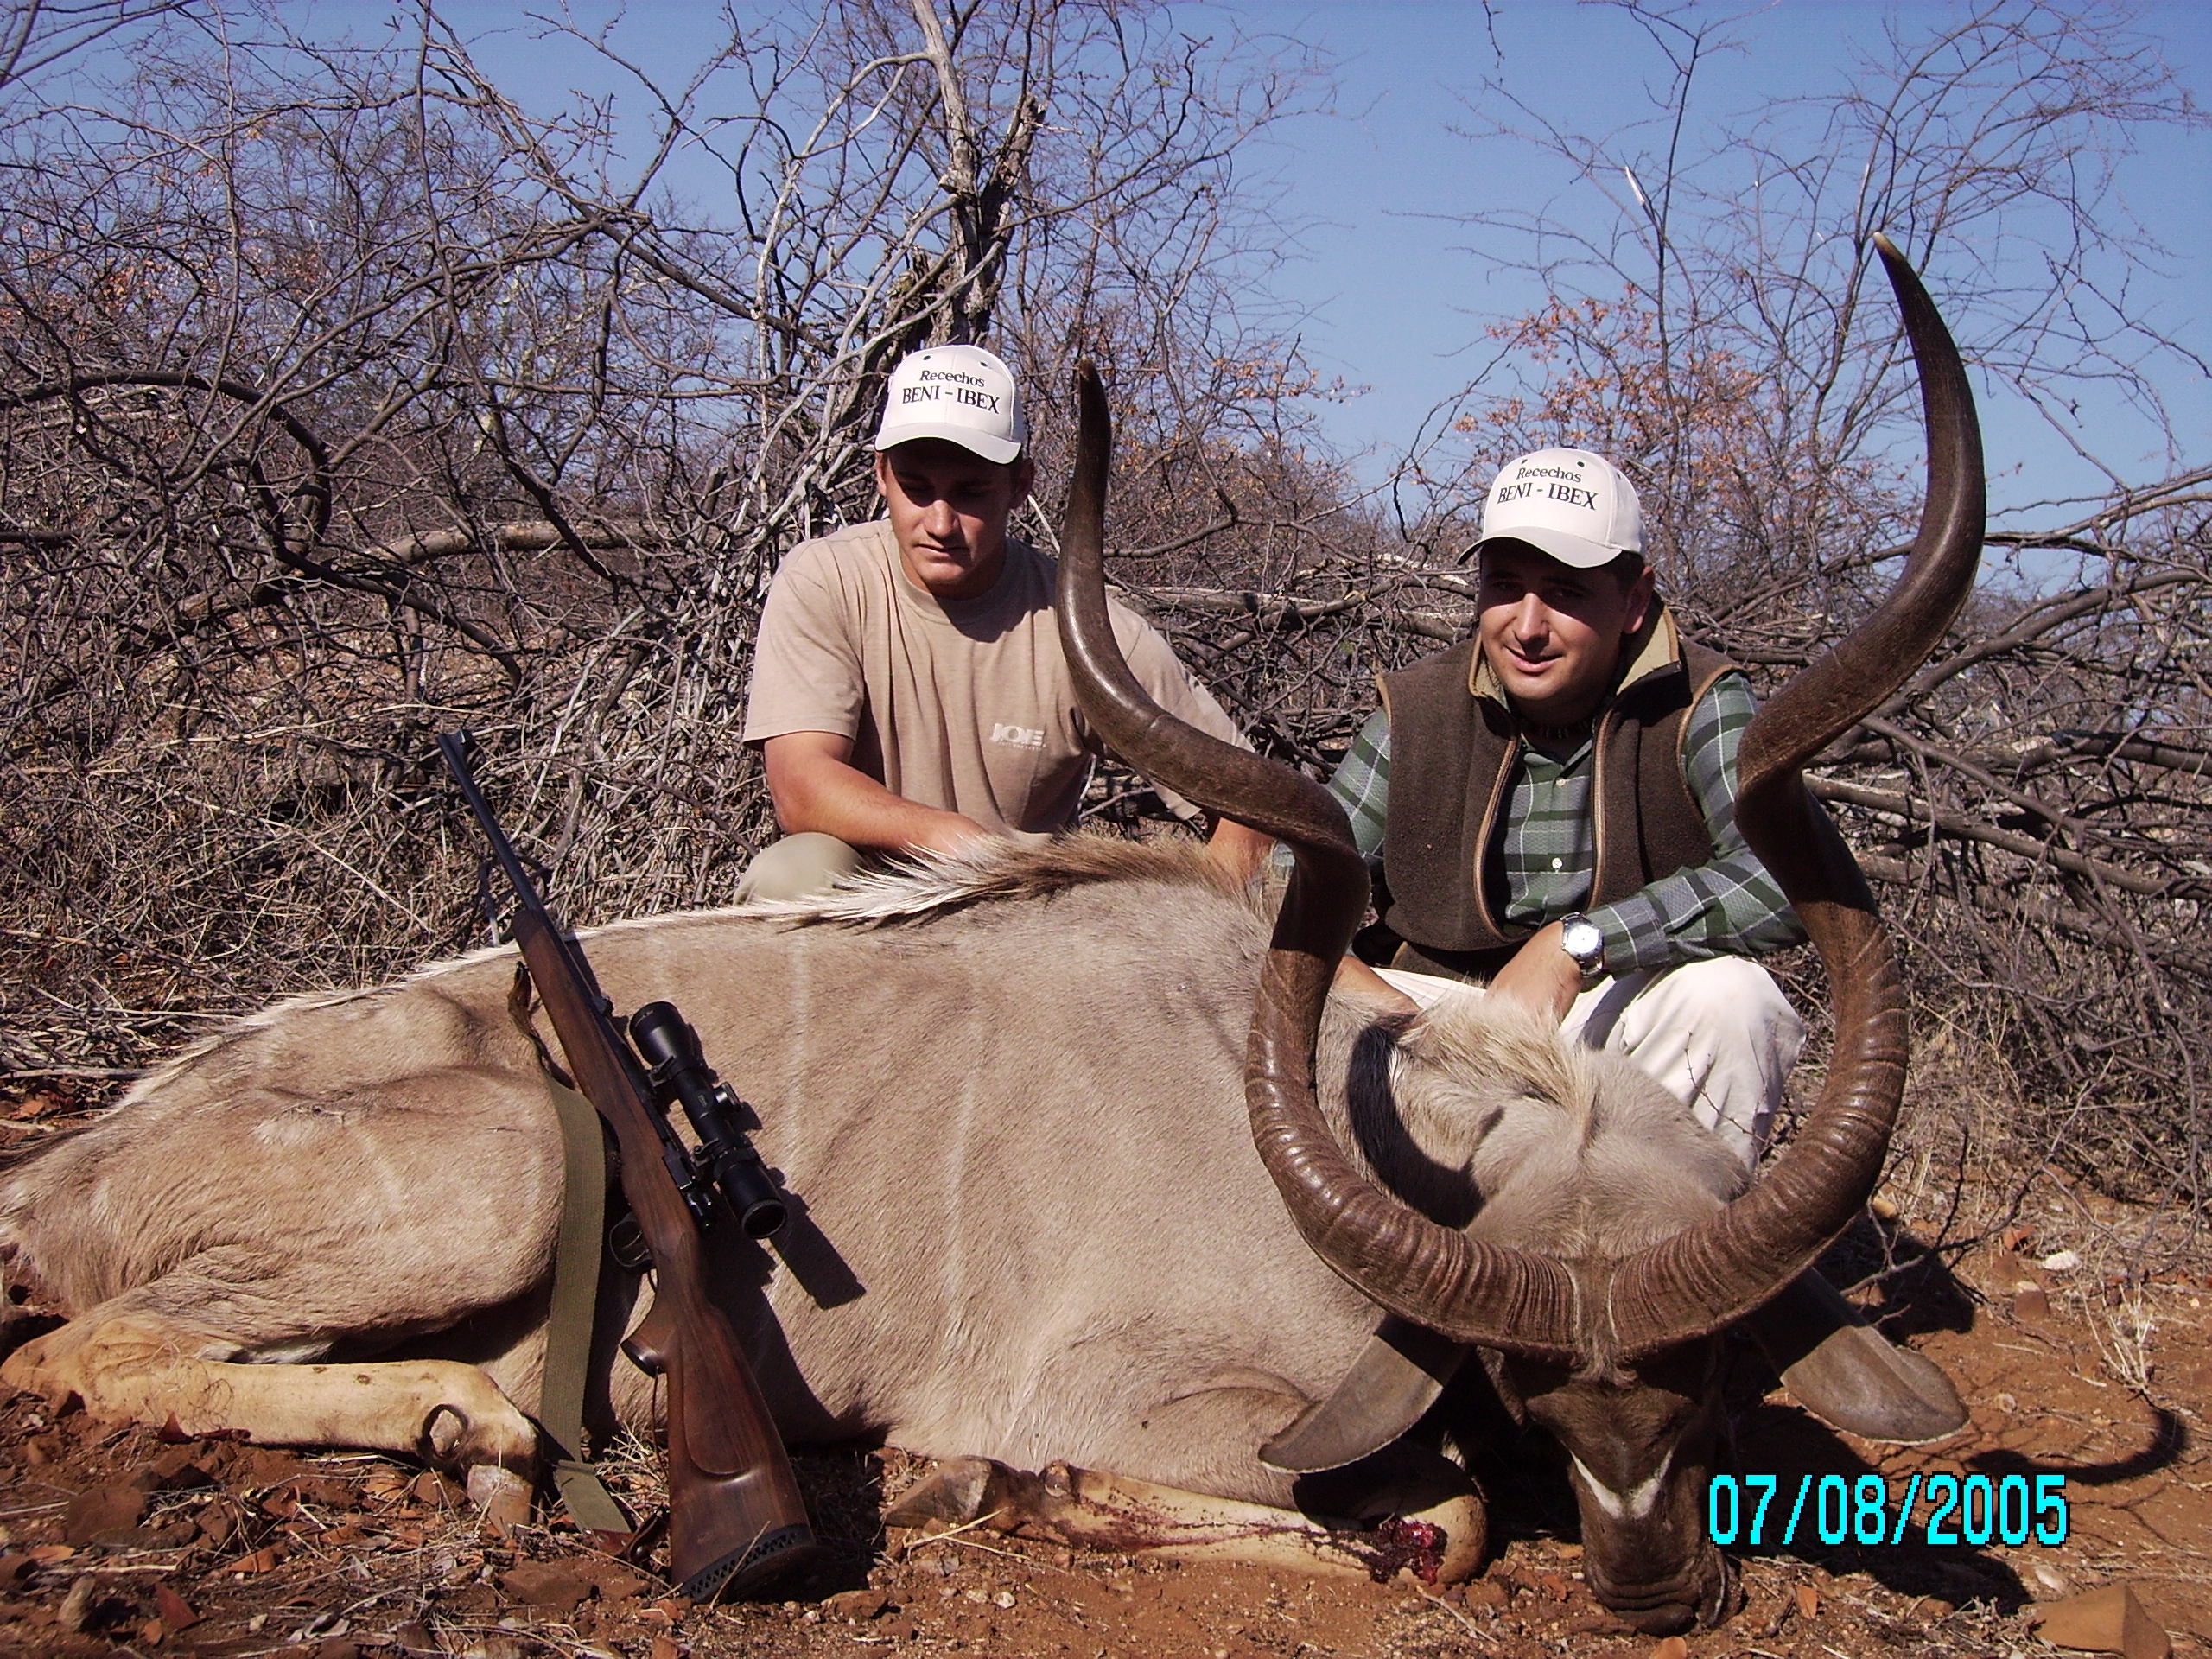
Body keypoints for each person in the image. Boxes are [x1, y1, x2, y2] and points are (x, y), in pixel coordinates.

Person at [1332, 446, 1965, 1440]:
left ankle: (1671, 1324)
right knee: (1311, 1018)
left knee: (1731, 1003)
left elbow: (1783, 878)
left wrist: (1578, 942)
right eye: (1504, 586)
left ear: (1634, 599)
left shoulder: (1703, 700)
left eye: (1565, 593)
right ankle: (1445, 1331)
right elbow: (1291, 888)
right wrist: (1375, 1001)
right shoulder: (1413, 706)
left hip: (1606, 1015)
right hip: (1440, 1024)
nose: (1525, 625)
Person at [739, 343, 1271, 899]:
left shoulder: (1087, 629)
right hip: (871, 902)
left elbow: (1248, 805)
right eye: (916, 487)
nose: (940, 523)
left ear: (1020, 485)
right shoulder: (826, 579)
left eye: (970, 493)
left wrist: (1200, 913)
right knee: (794, 874)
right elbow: (801, 786)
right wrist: (953, 840)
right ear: (881, 474)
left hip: (1019, 916)